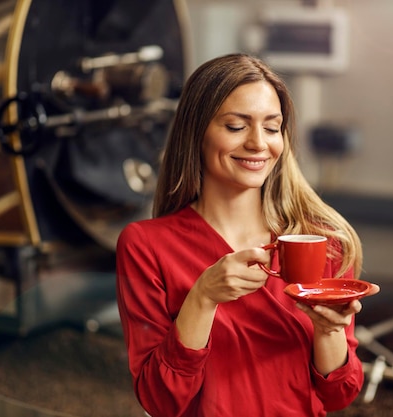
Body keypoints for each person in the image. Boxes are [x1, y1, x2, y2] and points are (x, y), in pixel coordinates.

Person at [116, 53, 379, 417]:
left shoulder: (323, 243)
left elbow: (339, 395)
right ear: (197, 133)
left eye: (272, 128)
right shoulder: (146, 245)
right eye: (237, 126)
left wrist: (328, 331)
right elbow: (160, 400)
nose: (259, 143)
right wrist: (203, 297)